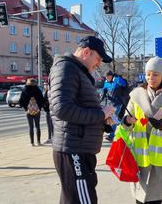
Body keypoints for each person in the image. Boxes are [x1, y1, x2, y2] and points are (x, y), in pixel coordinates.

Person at [49, 36, 115, 204]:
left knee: (73, 199)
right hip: (73, 149)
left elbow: (78, 108)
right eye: (98, 59)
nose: (99, 64)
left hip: (79, 147)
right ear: (87, 52)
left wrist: (102, 119)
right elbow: (62, 109)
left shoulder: (77, 71)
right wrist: (100, 115)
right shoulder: (66, 69)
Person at [122, 56, 162, 204]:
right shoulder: (136, 95)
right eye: (148, 74)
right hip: (140, 155)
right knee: (139, 199)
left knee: (154, 200)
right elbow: (124, 124)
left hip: (160, 159)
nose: (151, 78)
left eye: (155, 74)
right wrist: (127, 121)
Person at [101, 70, 129, 141]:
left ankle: (112, 135)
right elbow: (104, 92)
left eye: (108, 76)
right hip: (110, 104)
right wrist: (100, 99)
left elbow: (124, 84)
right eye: (106, 76)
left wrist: (118, 79)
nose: (107, 78)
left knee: (113, 118)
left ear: (112, 75)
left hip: (118, 103)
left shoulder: (117, 80)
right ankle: (124, 129)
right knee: (114, 119)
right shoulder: (106, 83)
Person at [19, 78, 44, 146]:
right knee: (37, 126)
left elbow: (21, 101)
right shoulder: (38, 90)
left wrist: (25, 108)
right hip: (37, 110)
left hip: (29, 111)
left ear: (28, 82)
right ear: (34, 83)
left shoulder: (25, 90)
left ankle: (32, 143)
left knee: (31, 127)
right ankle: (39, 142)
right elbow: (42, 100)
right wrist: (40, 107)